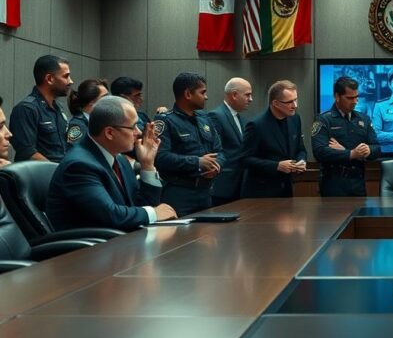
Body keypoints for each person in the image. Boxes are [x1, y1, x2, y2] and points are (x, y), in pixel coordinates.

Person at [47, 96, 177, 231]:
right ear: (109, 132)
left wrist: (147, 165)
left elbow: (138, 206)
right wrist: (153, 213)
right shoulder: (79, 165)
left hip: (119, 241)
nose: (138, 133)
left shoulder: (119, 159)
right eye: (132, 127)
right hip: (86, 247)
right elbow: (111, 215)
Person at [154, 73, 224, 215]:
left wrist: (216, 167)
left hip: (205, 193)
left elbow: (220, 151)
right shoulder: (165, 121)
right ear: (187, 94)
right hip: (179, 194)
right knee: (179, 236)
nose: (206, 97)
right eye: (202, 92)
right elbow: (160, 157)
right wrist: (197, 162)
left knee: (206, 236)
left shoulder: (205, 119)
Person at [312, 77, 380, 197]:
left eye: (356, 97)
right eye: (350, 98)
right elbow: (320, 152)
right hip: (333, 182)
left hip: (358, 181)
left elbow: (377, 148)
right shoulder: (324, 120)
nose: (355, 101)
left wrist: (368, 150)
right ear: (337, 97)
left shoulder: (363, 119)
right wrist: (351, 154)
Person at [242, 80, 308, 198]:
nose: (295, 105)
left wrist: (301, 161)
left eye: (296, 100)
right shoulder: (256, 125)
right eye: (289, 102)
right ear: (276, 103)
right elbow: (245, 159)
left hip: (287, 190)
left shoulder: (295, 119)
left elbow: (300, 149)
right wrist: (276, 166)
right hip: (261, 193)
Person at [9, 55, 74, 162]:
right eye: (66, 76)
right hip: (40, 175)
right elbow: (27, 152)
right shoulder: (26, 109)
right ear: (49, 79)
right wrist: (58, 171)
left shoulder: (58, 108)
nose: (71, 81)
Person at [210, 77, 253, 206]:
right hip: (224, 187)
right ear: (234, 95)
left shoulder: (242, 120)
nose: (250, 99)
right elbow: (216, 150)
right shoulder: (216, 116)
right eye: (247, 95)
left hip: (241, 187)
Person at [65, 79, 109, 146]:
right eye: (105, 97)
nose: (110, 100)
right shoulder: (77, 125)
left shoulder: (100, 121)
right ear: (92, 102)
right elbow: (76, 152)